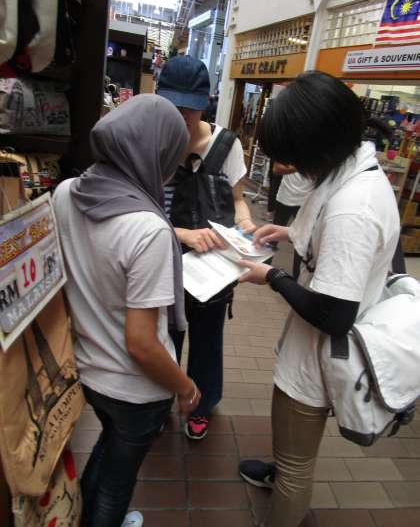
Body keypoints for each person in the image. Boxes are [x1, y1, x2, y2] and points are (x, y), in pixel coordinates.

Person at [237, 71, 400, 527]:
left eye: (293, 156)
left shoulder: (353, 208)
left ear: (319, 148)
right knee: (291, 450)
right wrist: (289, 231)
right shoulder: (351, 171)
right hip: (312, 346)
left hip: (318, 356)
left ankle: (282, 501)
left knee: (296, 469)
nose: (290, 166)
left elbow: (334, 315)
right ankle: (279, 470)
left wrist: (272, 276)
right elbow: (337, 245)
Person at [53, 94, 201, 527]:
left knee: (110, 449)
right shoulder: (148, 229)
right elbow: (141, 343)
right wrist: (186, 387)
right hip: (137, 390)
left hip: (88, 370)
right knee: (118, 482)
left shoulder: (65, 194)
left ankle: (83, 514)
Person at [157, 55, 256, 440]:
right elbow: (139, 207)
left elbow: (238, 199)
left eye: (190, 106)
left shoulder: (226, 144)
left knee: (207, 336)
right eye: (173, 105)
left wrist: (245, 226)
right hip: (163, 259)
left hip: (214, 265)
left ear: (205, 103)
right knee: (165, 335)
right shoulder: (153, 140)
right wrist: (182, 234)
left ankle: (201, 403)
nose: (182, 115)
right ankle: (160, 400)